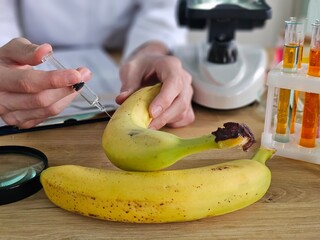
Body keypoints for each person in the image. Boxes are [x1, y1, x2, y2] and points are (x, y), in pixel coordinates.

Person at [0, 0, 195, 129]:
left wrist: (150, 51)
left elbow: (163, 8)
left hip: (121, 50)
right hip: (33, 50)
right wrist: (5, 58)